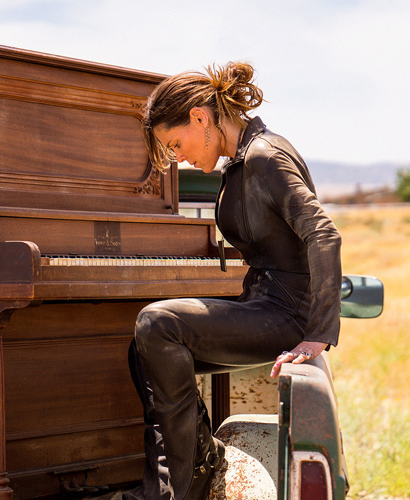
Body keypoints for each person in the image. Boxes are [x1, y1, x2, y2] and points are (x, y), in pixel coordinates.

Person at [124, 61, 342, 500]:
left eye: (176, 143)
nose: (178, 158)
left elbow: (323, 232)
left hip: (285, 316)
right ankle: (193, 468)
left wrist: (317, 335)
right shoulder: (242, 161)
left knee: (156, 323)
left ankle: (179, 491)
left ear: (201, 118)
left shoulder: (264, 157)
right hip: (261, 305)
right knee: (142, 349)